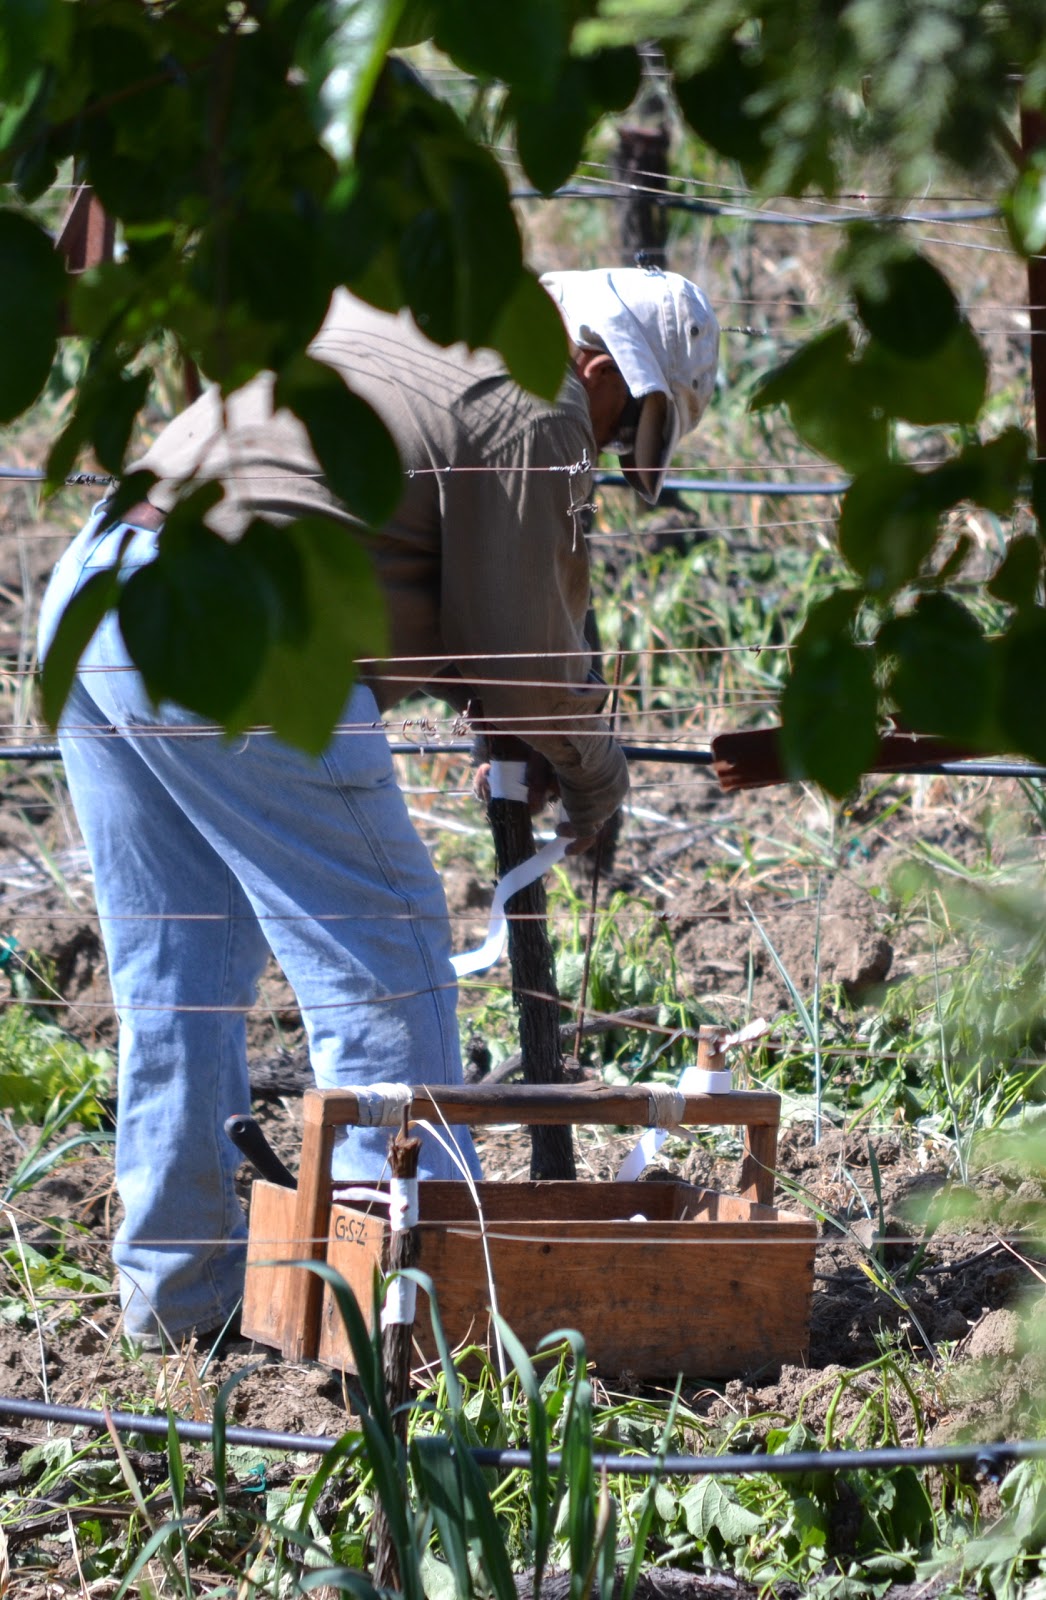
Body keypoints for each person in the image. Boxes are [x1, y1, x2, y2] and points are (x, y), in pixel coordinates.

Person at [37, 265, 719, 1349]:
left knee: (182, 973)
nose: (598, 459)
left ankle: (182, 1303)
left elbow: (393, 535)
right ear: (601, 370)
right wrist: (593, 773)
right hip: (240, 627)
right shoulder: (536, 384)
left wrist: (509, 703)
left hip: (102, 596)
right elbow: (520, 651)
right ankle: (401, 1332)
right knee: (388, 957)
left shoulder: (427, 310)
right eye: (619, 430)